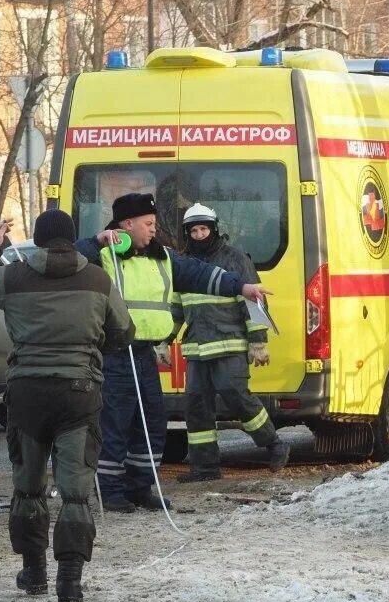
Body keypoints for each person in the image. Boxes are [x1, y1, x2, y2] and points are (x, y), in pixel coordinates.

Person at [0, 210, 134, 602]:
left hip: (27, 394)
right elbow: (124, 332)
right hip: (78, 393)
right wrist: (90, 351)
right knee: (75, 491)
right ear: (73, 240)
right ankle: (69, 583)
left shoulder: (14, 276)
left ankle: (34, 571)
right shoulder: (97, 278)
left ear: (37, 239)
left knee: (28, 485)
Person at [76, 193, 269, 513]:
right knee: (115, 423)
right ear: (126, 225)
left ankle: (140, 486)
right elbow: (68, 257)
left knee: (151, 420)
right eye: (148, 224)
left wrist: (242, 287)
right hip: (114, 355)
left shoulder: (162, 258)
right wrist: (97, 241)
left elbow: (199, 273)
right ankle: (110, 490)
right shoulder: (105, 256)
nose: (154, 229)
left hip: (144, 354)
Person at [174, 203, 289, 482]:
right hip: (198, 348)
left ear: (214, 230)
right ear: (187, 233)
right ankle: (205, 468)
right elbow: (176, 307)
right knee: (197, 406)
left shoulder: (236, 259)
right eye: (194, 231)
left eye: (204, 229)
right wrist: (162, 340)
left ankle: (275, 444)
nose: (199, 235)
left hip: (230, 344)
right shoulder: (183, 263)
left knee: (235, 395)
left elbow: (254, 302)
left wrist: (258, 342)